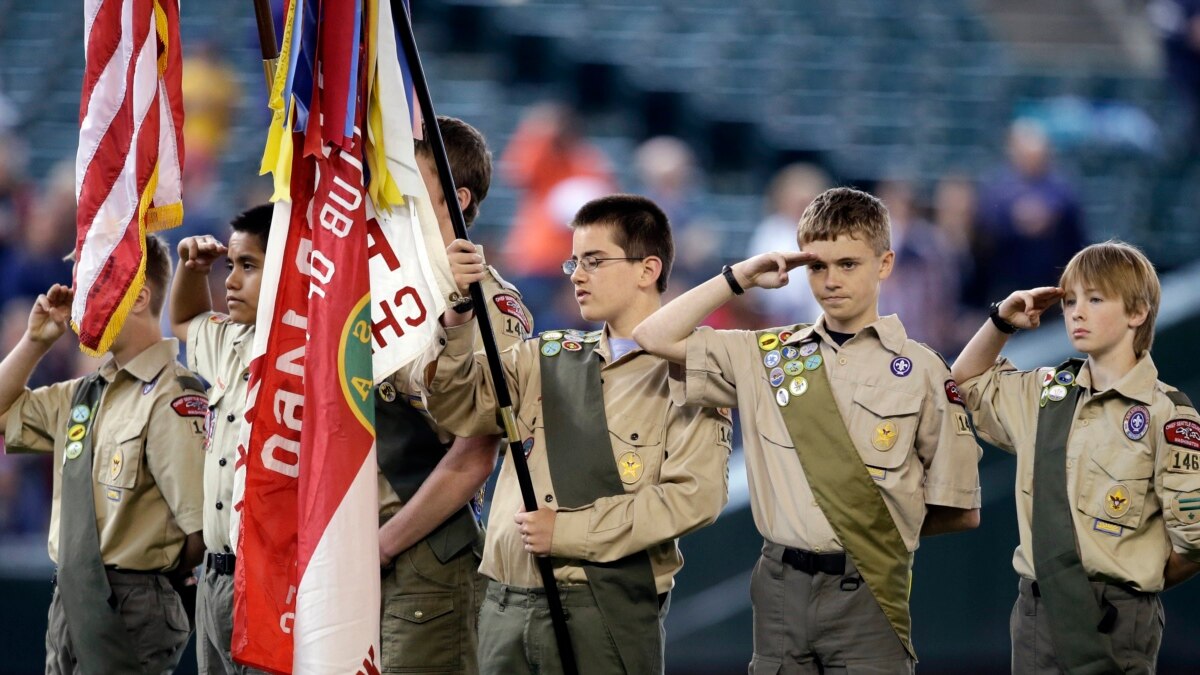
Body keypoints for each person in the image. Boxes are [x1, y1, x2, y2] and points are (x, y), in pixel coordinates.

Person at [634, 186, 982, 673]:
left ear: (884, 264)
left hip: (869, 588)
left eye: (849, 264)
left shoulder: (924, 371)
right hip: (780, 586)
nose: (831, 280)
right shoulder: (765, 354)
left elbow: (960, 509)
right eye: (818, 266)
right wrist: (740, 277)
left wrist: (878, 532)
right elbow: (651, 336)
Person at [425, 194, 732, 675]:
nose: (575, 274)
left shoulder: (689, 376)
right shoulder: (544, 355)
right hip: (503, 600)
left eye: (594, 261)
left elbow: (695, 498)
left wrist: (567, 531)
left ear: (647, 269)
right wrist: (459, 314)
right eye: (574, 260)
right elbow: (456, 405)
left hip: (602, 606)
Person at [951, 241, 1200, 673]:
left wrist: (1133, 580)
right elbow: (966, 381)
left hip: (1119, 618)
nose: (1076, 312)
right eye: (1069, 301)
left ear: (1137, 312)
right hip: (1037, 611)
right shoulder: (1045, 394)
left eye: (1095, 299)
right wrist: (999, 322)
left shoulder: (1167, 414)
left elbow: (1194, 540)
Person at [0, 235, 206, 674]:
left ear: (139, 298)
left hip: (131, 602)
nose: (81, 304)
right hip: (70, 596)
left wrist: (151, 578)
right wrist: (36, 341)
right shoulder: (86, 392)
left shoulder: (172, 396)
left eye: (95, 285)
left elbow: (200, 531)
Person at [374, 115, 534, 674]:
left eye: (408, 184)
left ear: (457, 197)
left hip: (421, 555)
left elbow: (473, 455)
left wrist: (384, 544)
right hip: (349, 547)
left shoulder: (492, 304)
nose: (389, 197)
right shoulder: (374, 288)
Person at [169, 204, 272, 675]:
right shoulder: (231, 339)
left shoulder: (310, 355)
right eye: (230, 266)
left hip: (268, 579)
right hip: (214, 574)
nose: (229, 281)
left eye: (247, 266)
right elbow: (186, 318)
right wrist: (193, 269)